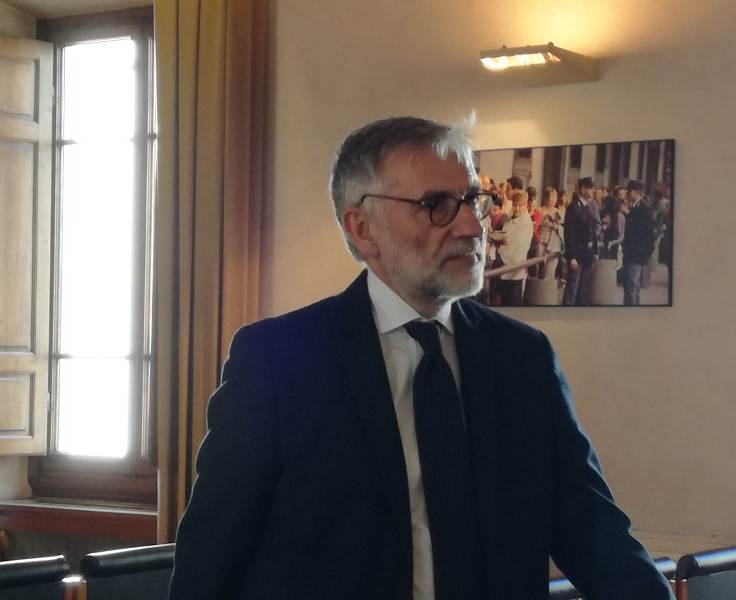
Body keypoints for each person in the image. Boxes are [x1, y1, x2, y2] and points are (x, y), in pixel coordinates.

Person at [168, 116, 676, 600]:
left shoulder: (522, 358)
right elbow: (213, 553)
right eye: (436, 205)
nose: (471, 227)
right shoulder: (281, 361)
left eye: (472, 200)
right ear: (362, 228)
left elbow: (591, 526)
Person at [562, 176, 599, 306]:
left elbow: (593, 230)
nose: (593, 190)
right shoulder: (573, 207)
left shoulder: (588, 206)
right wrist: (571, 256)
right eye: (591, 188)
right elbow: (569, 234)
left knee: (583, 289)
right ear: (583, 189)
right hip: (577, 255)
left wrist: (595, 251)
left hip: (587, 254)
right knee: (572, 288)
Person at [496, 189, 534, 305]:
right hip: (505, 269)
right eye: (515, 205)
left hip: (514, 270)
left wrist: (501, 256)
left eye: (520, 205)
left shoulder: (526, 223)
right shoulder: (511, 218)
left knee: (513, 303)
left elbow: (517, 246)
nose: (517, 208)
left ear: (525, 205)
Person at [621, 179, 655, 305]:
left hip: (636, 255)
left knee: (631, 286)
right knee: (632, 287)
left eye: (628, 192)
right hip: (630, 254)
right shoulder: (635, 208)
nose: (626, 195)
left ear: (634, 193)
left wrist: (644, 256)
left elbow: (648, 235)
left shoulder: (644, 209)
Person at [536, 186, 563, 280]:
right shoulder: (540, 210)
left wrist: (556, 226)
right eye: (552, 196)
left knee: (550, 271)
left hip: (553, 244)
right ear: (546, 198)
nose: (554, 199)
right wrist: (543, 221)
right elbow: (536, 225)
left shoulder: (558, 212)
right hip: (541, 241)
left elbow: (562, 227)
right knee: (538, 267)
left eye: (555, 196)